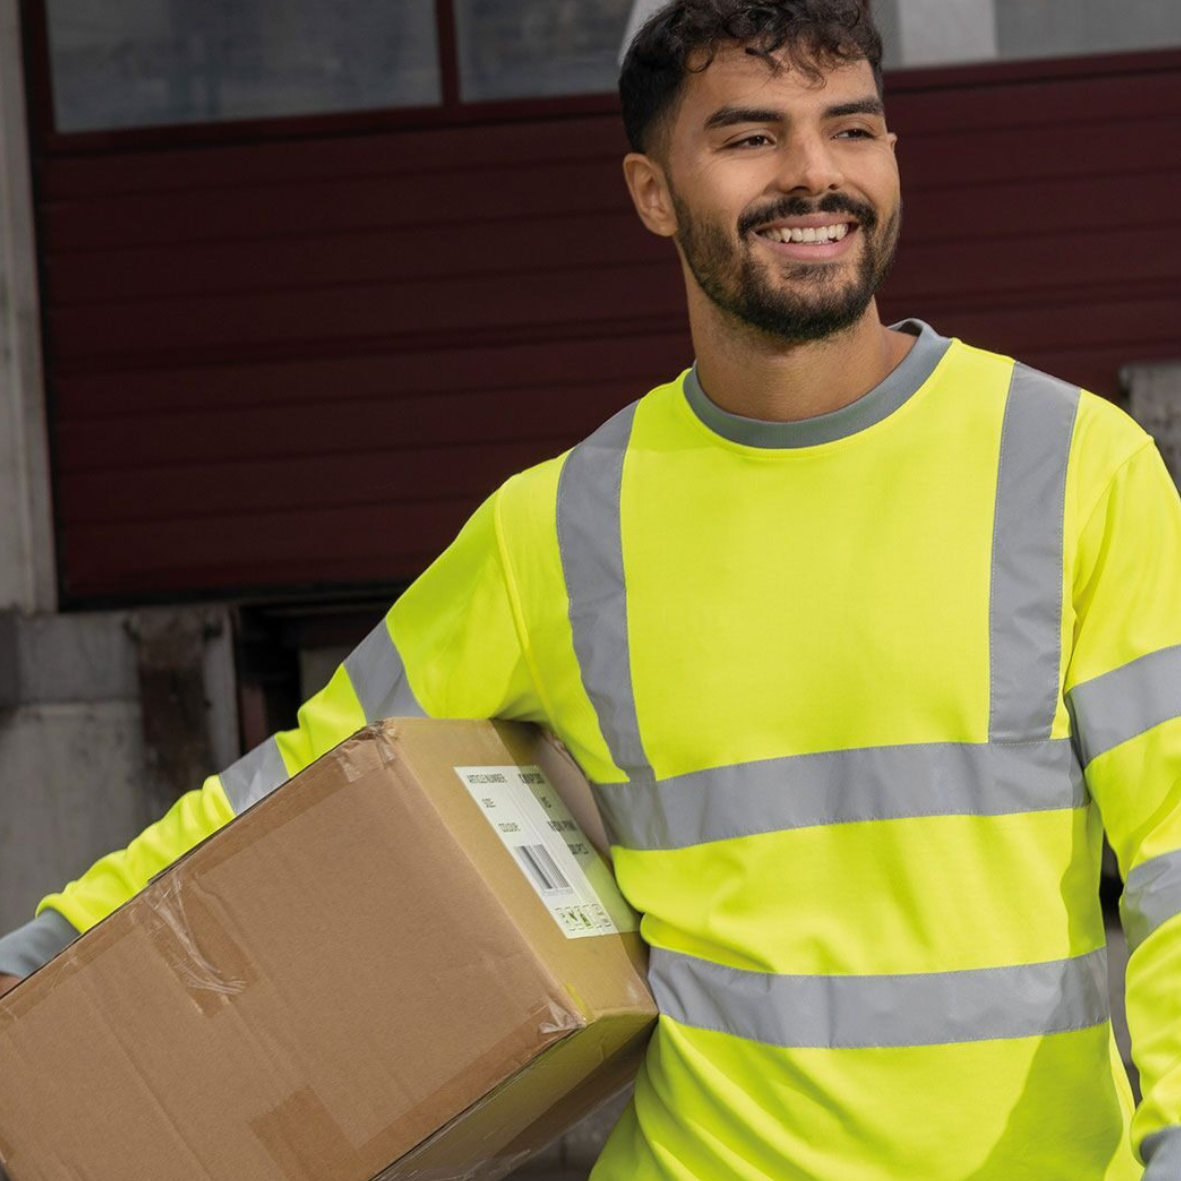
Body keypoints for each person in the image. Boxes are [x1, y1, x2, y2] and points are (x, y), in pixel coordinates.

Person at [2, 2, 1179, 1177]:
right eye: (750, 137)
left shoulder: (1069, 463)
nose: (815, 175)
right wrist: (37, 960)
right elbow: (297, 785)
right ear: (651, 190)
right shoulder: (560, 526)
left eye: (851, 128)